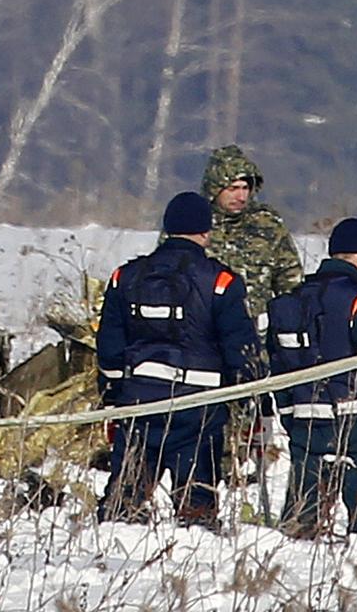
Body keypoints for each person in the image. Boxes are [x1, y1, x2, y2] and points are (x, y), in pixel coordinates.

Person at [96, 192, 262, 529]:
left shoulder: (124, 277)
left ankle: (113, 554)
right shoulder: (221, 281)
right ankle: (192, 552)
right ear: (206, 231)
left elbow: (110, 345)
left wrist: (114, 391)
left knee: (123, 502)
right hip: (199, 407)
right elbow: (240, 349)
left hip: (139, 403)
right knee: (196, 504)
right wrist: (249, 395)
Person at [267, 218, 357, 542]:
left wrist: (289, 415)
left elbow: (279, 366)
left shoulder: (290, 302)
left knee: (298, 530)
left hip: (305, 426)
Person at [199, 144, 304, 322]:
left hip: (256, 333)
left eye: (245, 188)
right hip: (203, 333)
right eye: (232, 189)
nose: (241, 197)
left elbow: (290, 280)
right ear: (215, 189)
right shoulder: (194, 222)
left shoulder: (266, 224)